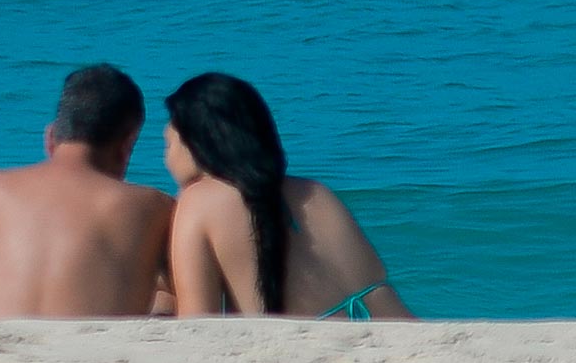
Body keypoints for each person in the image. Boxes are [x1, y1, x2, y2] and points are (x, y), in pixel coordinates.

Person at [161, 72, 413, 320]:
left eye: (168, 143)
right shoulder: (316, 191)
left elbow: (197, 324)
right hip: (402, 330)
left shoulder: (197, 203)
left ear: (193, 145)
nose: (166, 157)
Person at [0, 64, 176, 320]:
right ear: (126, 147)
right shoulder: (154, 207)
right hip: (90, 356)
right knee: (165, 295)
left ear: (50, 137)